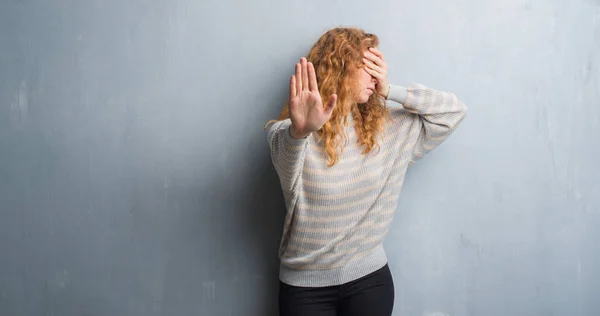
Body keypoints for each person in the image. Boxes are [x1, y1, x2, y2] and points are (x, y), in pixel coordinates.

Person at [264, 27, 467, 316]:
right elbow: (284, 160)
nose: (375, 74)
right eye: (365, 65)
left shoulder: (387, 129)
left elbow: (454, 112)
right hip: (305, 289)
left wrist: (390, 90)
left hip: (369, 282)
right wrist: (300, 132)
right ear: (339, 68)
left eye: (378, 65)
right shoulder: (290, 134)